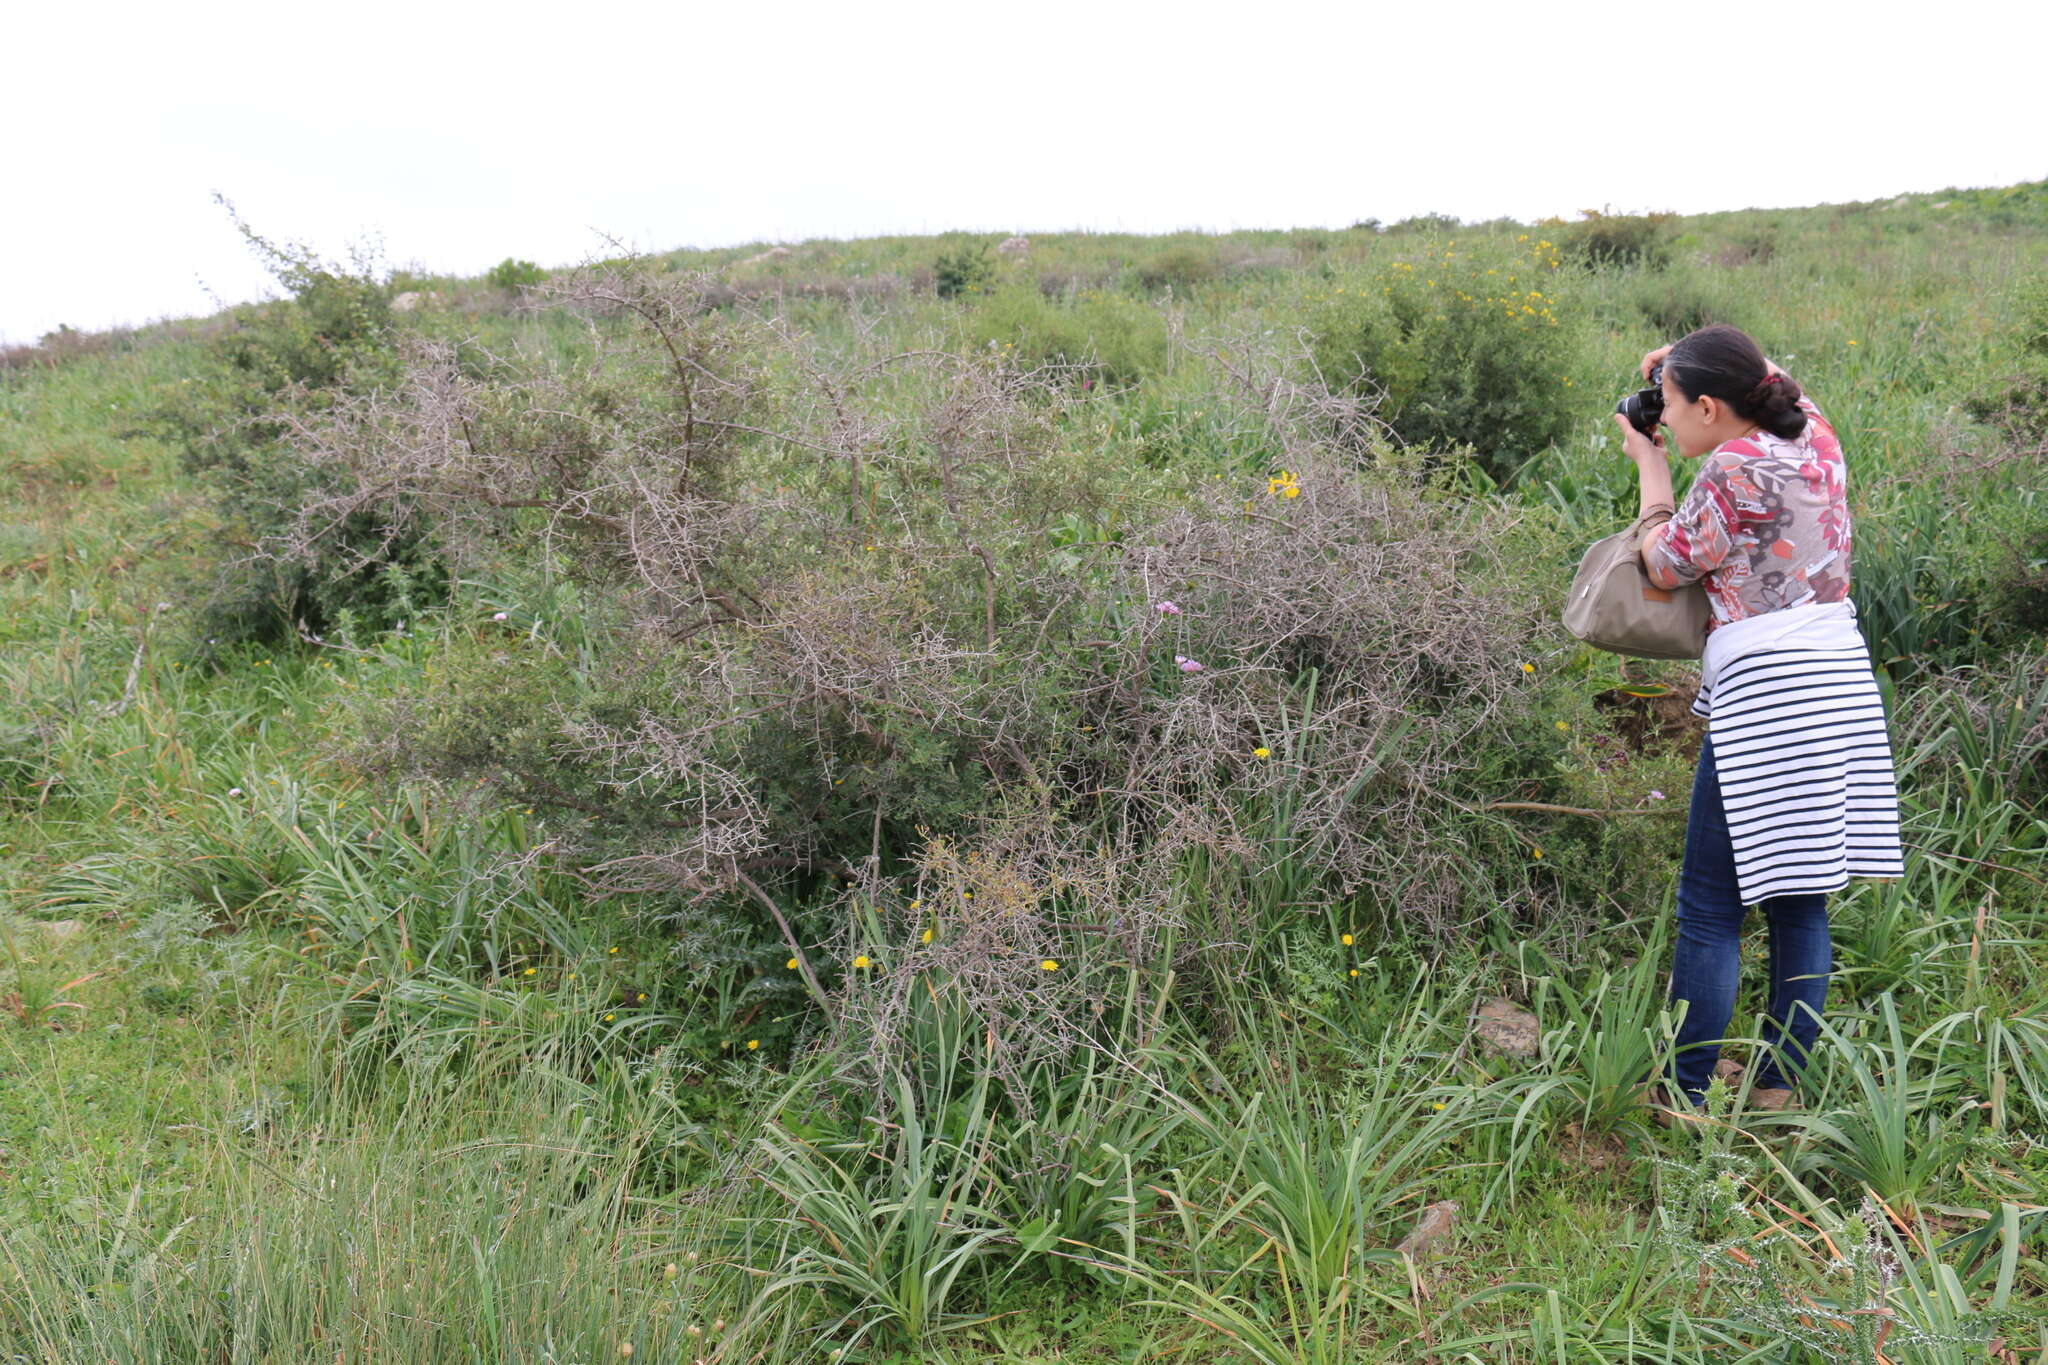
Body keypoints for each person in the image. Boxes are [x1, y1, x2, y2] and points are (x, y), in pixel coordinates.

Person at [1611, 323, 1905, 1122]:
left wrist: (1652, 469)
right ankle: (1778, 1085)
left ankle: (1685, 1093)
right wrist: (1677, 359)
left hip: (1769, 696)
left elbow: (1665, 563)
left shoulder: (1730, 470)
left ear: (1712, 405)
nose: (1662, 418)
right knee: (1800, 898)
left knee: (1710, 905)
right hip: (1837, 680)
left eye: (1670, 406)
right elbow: (1776, 380)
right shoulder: (1815, 437)